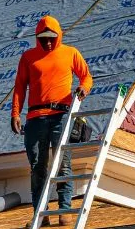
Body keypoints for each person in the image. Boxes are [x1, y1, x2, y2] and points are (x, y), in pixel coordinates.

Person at [10, 15, 92, 211]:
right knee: (38, 167)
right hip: (35, 118)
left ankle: (64, 208)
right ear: (37, 38)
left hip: (60, 115)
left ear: (58, 36)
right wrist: (15, 114)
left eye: (51, 38)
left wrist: (83, 89)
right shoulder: (28, 57)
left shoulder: (70, 53)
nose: (47, 42)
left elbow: (87, 76)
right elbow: (20, 87)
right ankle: (41, 212)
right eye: (43, 38)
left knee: (62, 163)